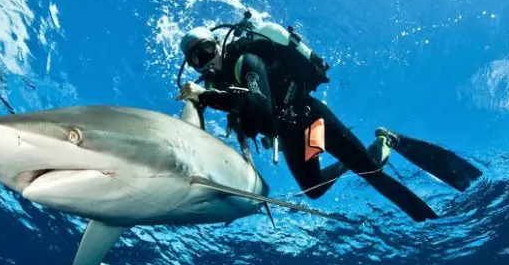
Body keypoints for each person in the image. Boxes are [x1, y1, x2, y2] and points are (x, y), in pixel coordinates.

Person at [175, 12, 482, 222]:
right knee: (314, 190)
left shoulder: (247, 60)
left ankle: (389, 141)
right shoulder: (218, 84)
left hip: (312, 121)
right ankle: (363, 154)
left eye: (206, 51)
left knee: (371, 172)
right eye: (196, 60)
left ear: (217, 45)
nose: (205, 63)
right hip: (293, 136)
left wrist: (207, 97)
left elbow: (262, 108)